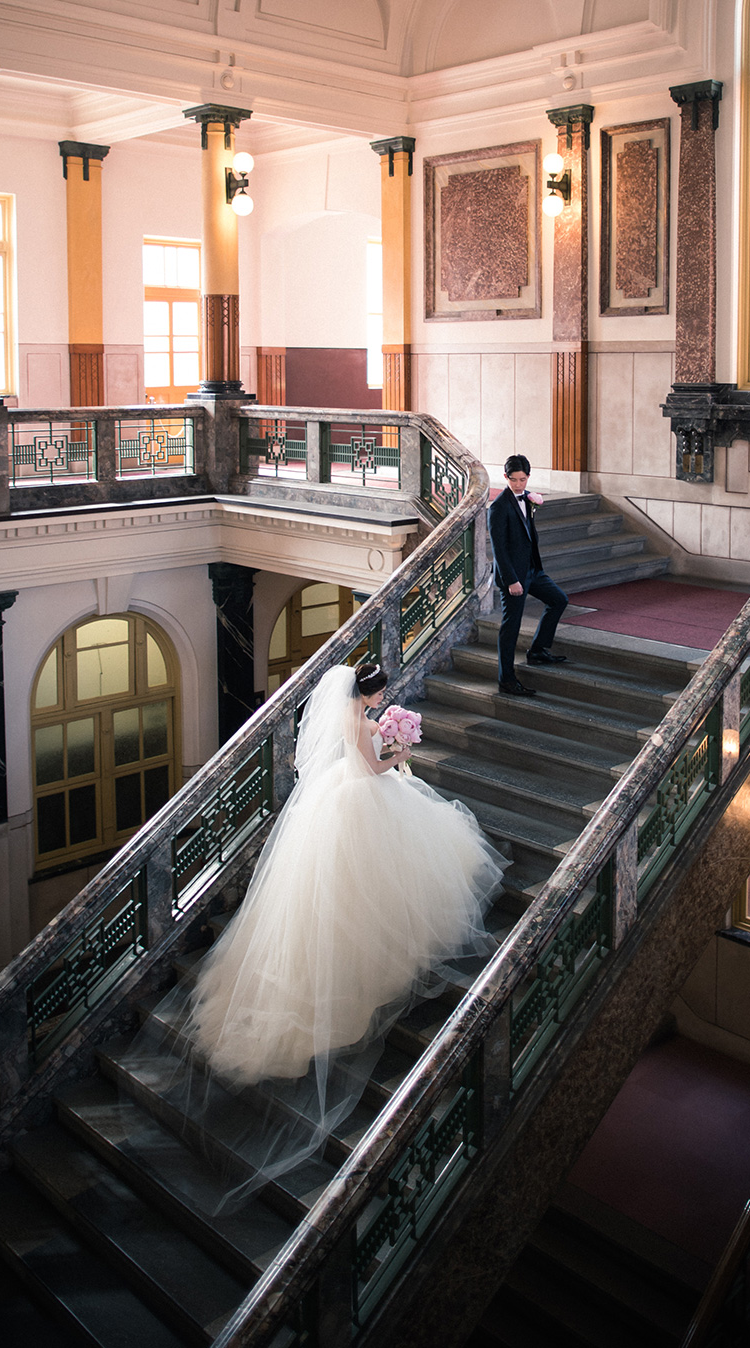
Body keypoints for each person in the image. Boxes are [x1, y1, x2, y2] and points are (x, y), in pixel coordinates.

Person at [189, 660, 505, 1091]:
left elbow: (367, 738)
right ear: (365, 693)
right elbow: (372, 768)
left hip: (343, 791)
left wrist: (389, 727)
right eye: (379, 695)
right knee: (369, 881)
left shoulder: (353, 715)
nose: (382, 700)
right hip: (362, 798)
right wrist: (400, 754)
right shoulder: (357, 721)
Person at [487, 453, 569, 696]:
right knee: (510, 627)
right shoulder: (499, 507)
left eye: (523, 479)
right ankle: (507, 680)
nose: (519, 484)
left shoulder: (528, 499)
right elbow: (498, 548)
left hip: (533, 570)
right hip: (514, 576)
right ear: (505, 477)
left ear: (528, 477)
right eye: (514, 479)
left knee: (559, 600)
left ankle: (538, 650)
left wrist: (533, 568)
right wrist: (512, 580)